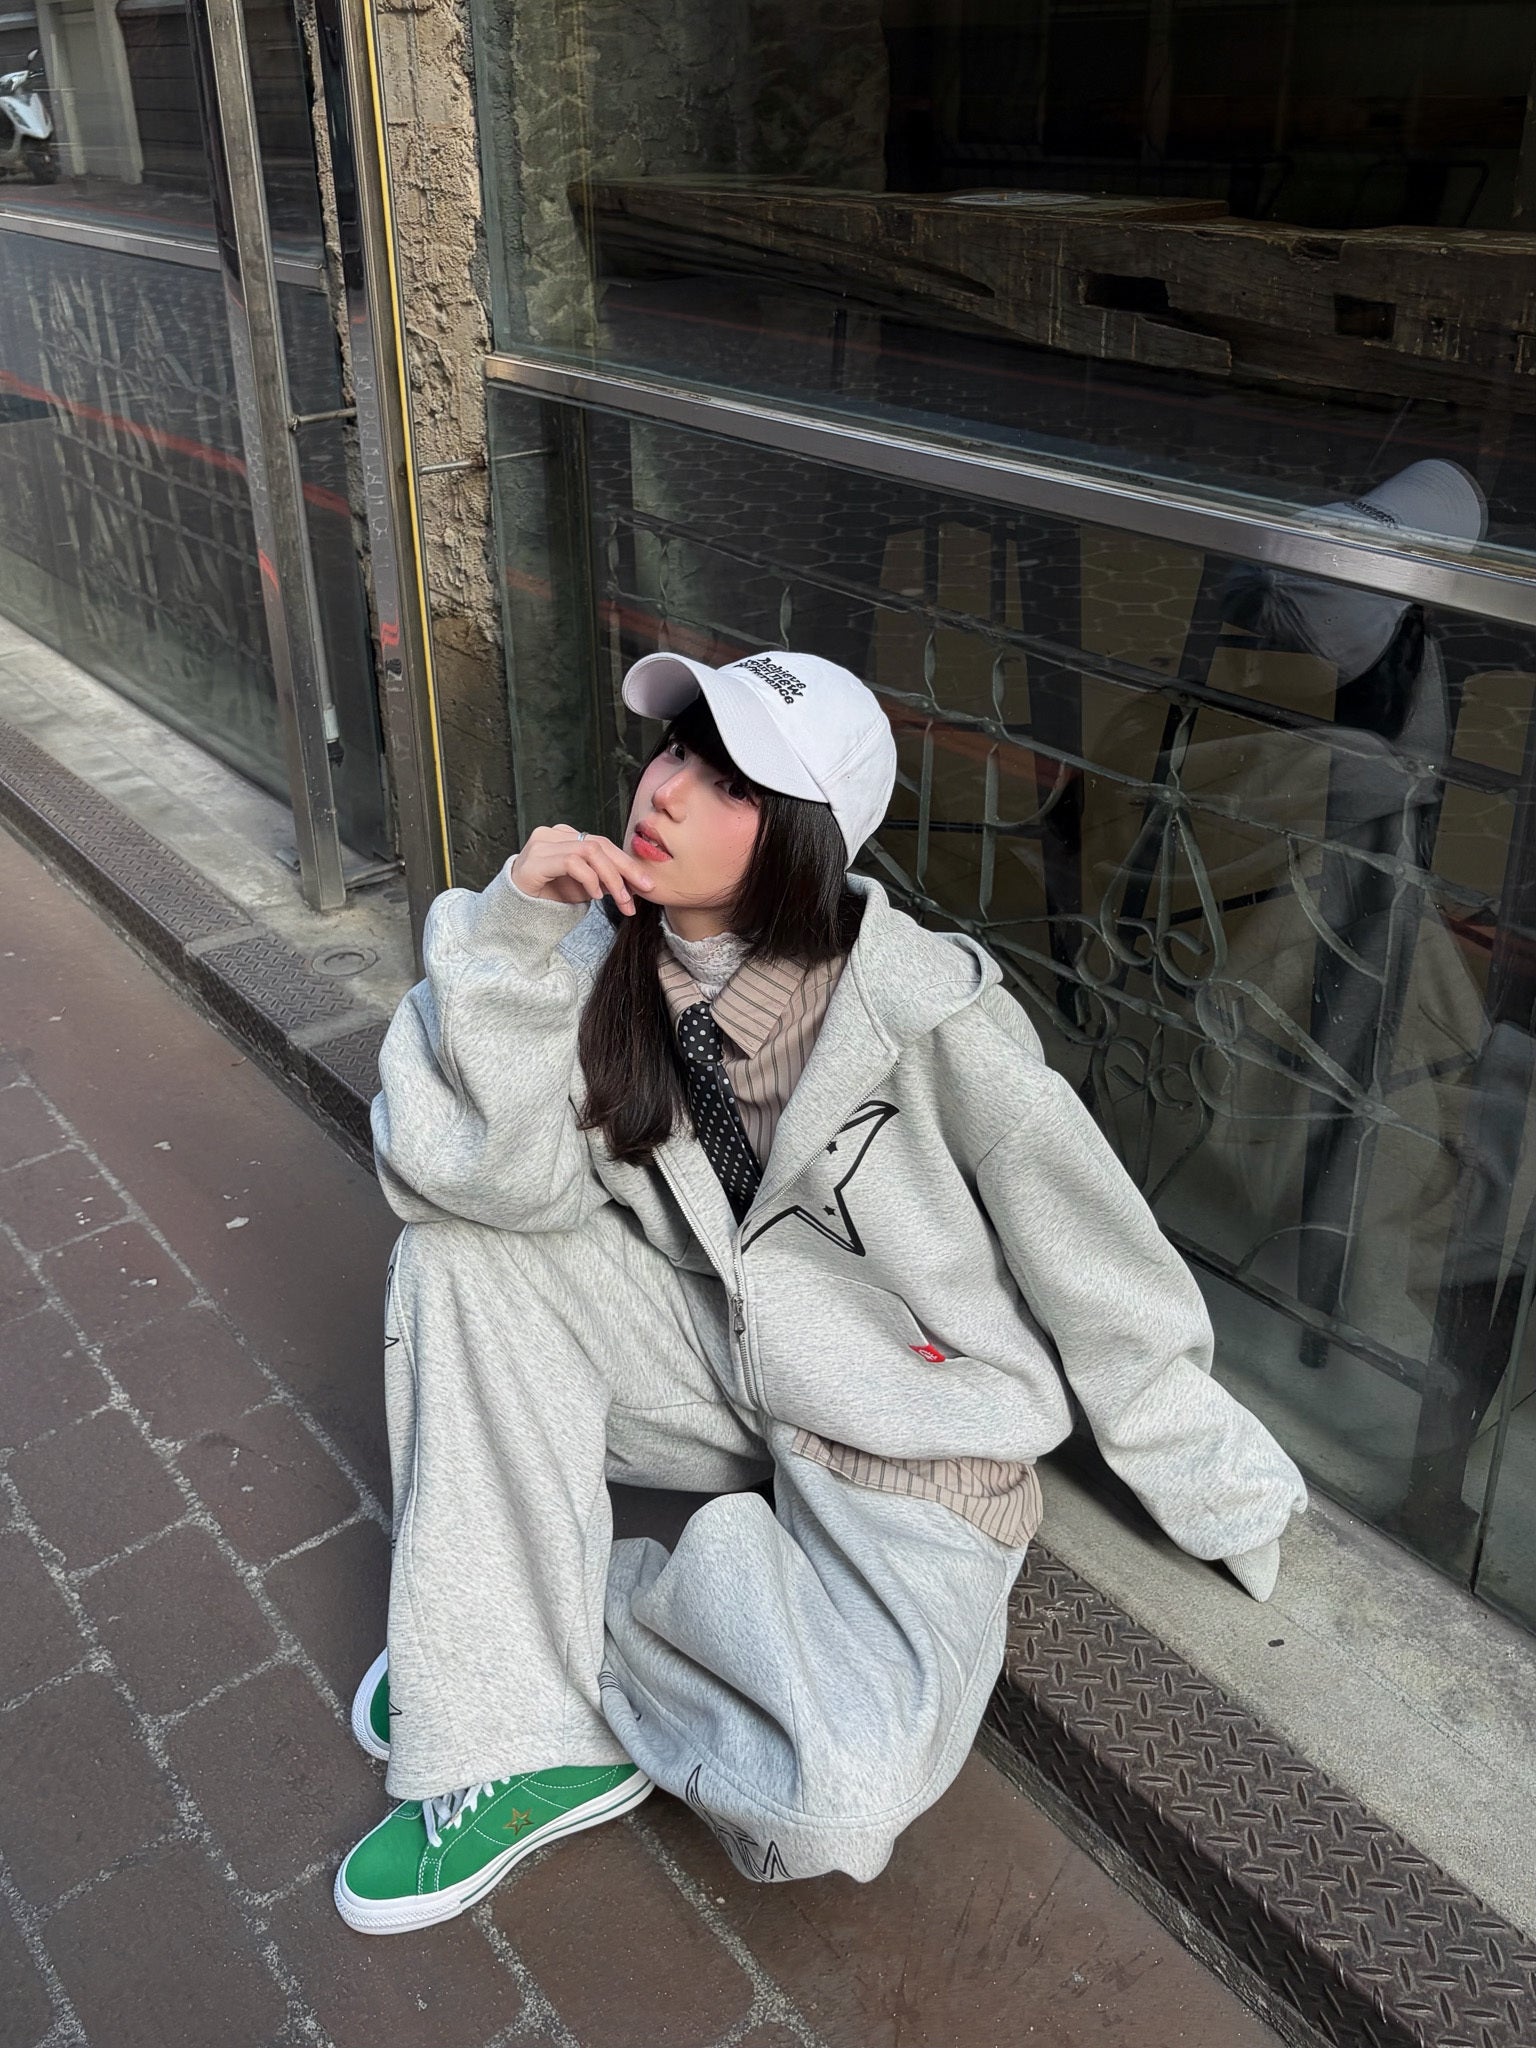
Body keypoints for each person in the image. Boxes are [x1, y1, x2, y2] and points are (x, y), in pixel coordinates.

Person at [333, 647, 1306, 1935]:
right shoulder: (589, 958)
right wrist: (507, 938)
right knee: (454, 1255)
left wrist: (1205, 1467)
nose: (666, 791)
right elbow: (476, 1186)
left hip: (909, 1428)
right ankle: (517, 1714)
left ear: (800, 832)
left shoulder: (921, 1007)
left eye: (728, 782)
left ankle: (505, 1623)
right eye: (676, 750)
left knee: (837, 1803)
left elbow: (1087, 1240)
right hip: (712, 1362)